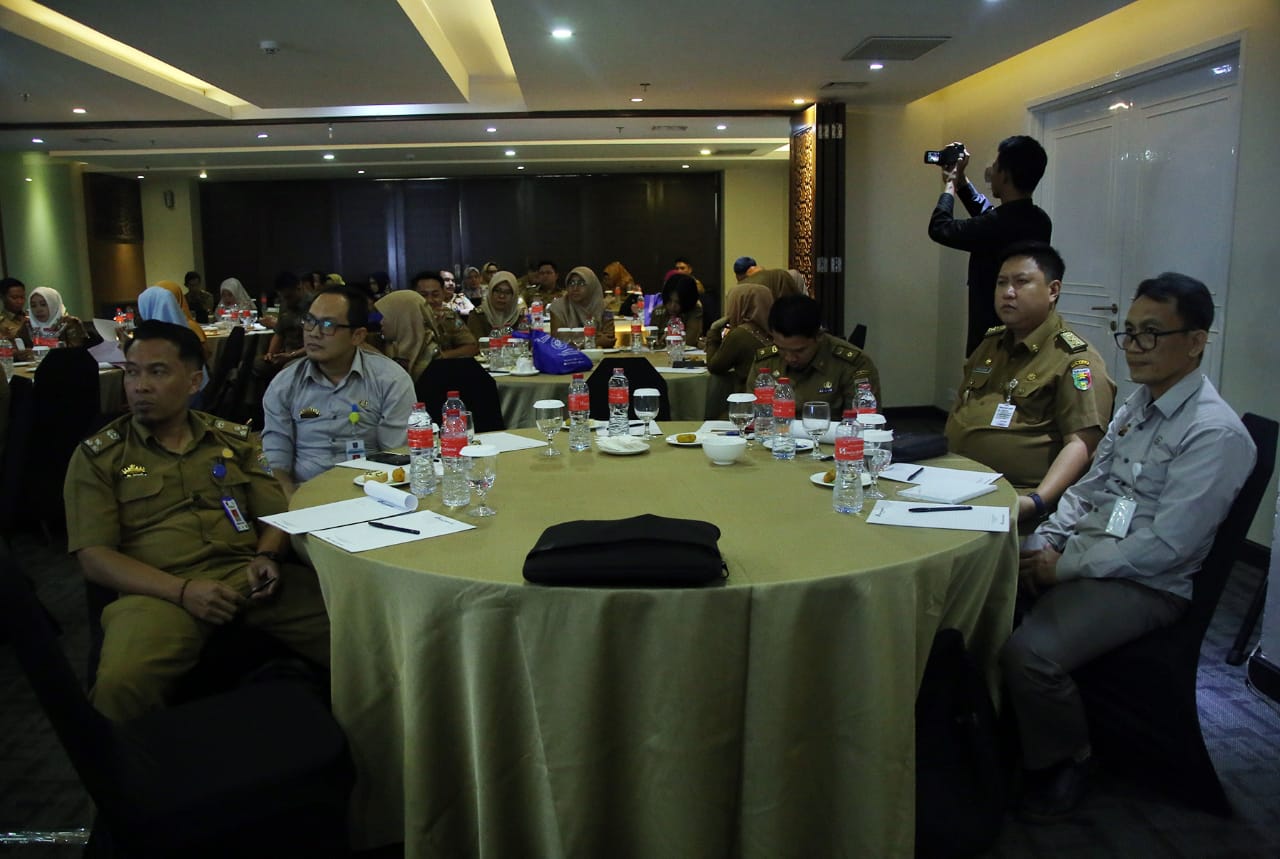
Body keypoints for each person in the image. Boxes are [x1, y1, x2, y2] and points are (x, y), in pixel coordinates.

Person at [1002, 272, 1256, 823]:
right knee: (989, 580)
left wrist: (1060, 568)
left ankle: (1069, 756)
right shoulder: (1141, 401)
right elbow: (1093, 488)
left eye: (1152, 334)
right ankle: (1003, 729)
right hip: (1098, 553)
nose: (1135, 347)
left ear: (1196, 341)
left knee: (1028, 655)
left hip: (1147, 583)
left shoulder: (1214, 434)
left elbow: (1166, 545)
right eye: (1130, 332)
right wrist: (1051, 536)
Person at [64, 320, 331, 721]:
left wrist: (268, 555)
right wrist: (183, 590)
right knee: (121, 686)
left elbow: (276, 514)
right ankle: (124, 780)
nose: (140, 385)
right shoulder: (100, 456)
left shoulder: (233, 441)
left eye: (157, 371)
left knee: (357, 629)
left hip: (248, 578)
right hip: (157, 591)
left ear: (193, 381)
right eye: (132, 372)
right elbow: (94, 557)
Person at [944, 243, 1115, 525]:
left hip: (1017, 498)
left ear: (1053, 290)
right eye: (1002, 283)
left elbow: (1083, 445)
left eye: (1021, 282)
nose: (1008, 292)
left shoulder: (1075, 360)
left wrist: (1037, 501)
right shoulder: (991, 344)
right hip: (958, 483)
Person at [262, 287, 415, 495]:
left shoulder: (390, 380)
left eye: (327, 325)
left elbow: (397, 453)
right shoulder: (284, 384)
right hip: (304, 494)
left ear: (357, 336)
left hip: (372, 492)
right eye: (310, 321)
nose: (314, 333)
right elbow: (276, 458)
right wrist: (290, 504)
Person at [927, 135, 1053, 355]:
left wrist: (950, 184)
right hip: (1022, 333)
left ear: (1004, 175)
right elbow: (988, 216)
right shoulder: (1040, 220)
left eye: (995, 167)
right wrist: (961, 180)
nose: (991, 172)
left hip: (990, 339)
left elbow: (940, 228)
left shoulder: (997, 225)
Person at [752, 294, 881, 411]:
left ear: (819, 336)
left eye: (799, 350)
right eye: (781, 349)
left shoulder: (853, 365)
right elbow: (754, 418)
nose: (790, 358)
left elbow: (863, 426)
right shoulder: (766, 362)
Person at [706, 283, 774, 394]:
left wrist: (713, 331)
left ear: (739, 304)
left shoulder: (740, 334)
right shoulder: (779, 330)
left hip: (749, 398)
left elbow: (714, 367)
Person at [411, 271, 479, 358]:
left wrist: (440, 357)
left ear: (443, 294)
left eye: (435, 295)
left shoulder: (448, 315)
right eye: (423, 295)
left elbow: (472, 347)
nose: (430, 300)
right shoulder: (408, 317)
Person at [375, 289, 440, 380]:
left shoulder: (433, 359)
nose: (381, 322)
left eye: (386, 316)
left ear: (402, 318)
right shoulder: (389, 347)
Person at [549, 266, 616, 348]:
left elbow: (609, 340)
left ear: (591, 286)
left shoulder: (603, 308)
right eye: (571, 283)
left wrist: (576, 340)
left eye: (581, 283)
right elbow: (558, 341)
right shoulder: (559, 307)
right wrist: (593, 339)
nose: (575, 288)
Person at [25, 285, 95, 349]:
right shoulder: (28, 324)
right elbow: (16, 349)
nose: (38, 310)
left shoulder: (70, 323)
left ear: (54, 305)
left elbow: (76, 351)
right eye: (33, 306)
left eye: (43, 304)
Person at [648, 274, 704, 347]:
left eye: (678, 302)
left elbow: (690, 340)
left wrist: (671, 338)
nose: (672, 306)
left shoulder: (695, 310)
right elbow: (651, 341)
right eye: (669, 300)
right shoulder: (658, 310)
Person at [467, 270, 525, 339]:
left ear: (514, 296)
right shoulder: (477, 316)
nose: (502, 296)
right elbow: (475, 346)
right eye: (497, 291)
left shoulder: (520, 317)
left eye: (507, 292)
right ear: (490, 292)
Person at [1, 277, 28, 341]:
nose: (20, 301)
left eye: (22, 297)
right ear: (3, 297)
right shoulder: (1, 322)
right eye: (14, 298)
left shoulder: (28, 317)